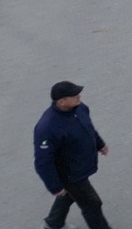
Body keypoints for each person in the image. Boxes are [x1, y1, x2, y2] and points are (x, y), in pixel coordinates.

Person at [34, 80, 112, 229]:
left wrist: (99, 143)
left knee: (69, 194)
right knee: (92, 204)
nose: (79, 97)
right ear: (62, 102)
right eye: (74, 95)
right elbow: (42, 161)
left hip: (79, 166)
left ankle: (53, 224)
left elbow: (88, 128)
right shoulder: (48, 127)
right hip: (70, 174)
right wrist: (55, 186)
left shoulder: (79, 109)